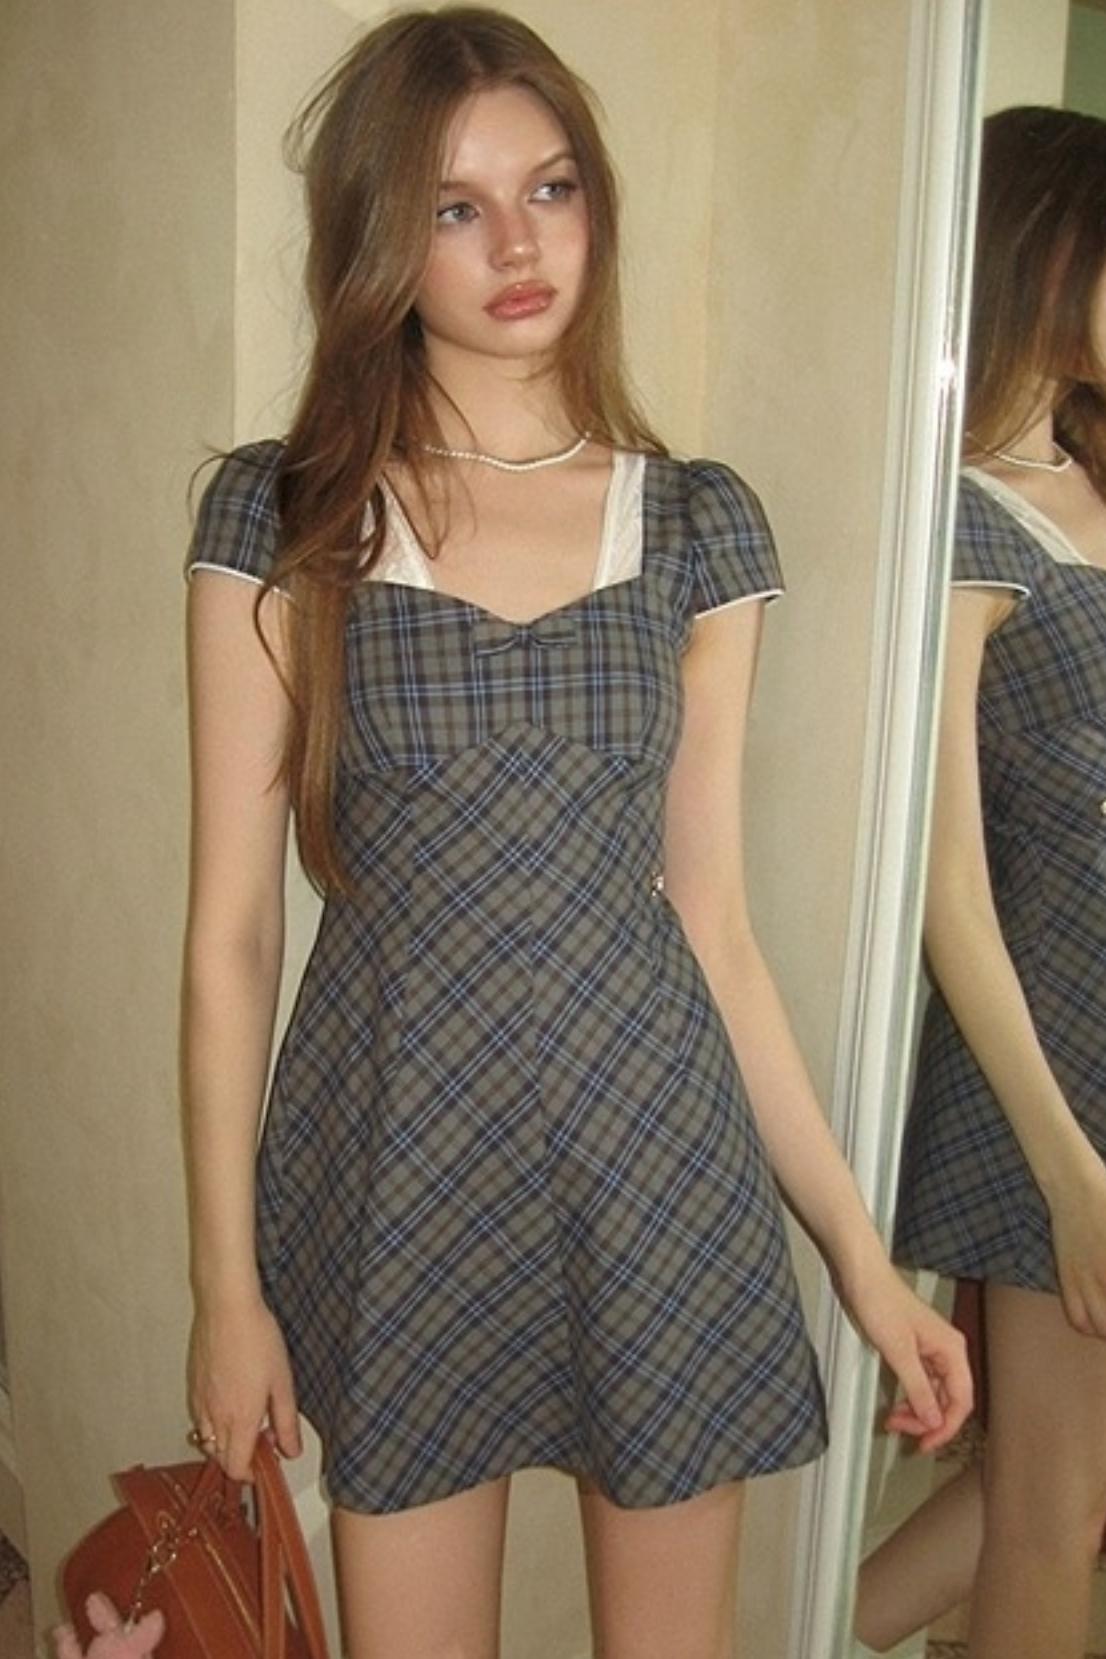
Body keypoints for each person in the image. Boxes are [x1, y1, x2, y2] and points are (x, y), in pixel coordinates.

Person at [181, 10, 969, 1657]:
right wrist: (226, 1292)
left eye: (549, 188)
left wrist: (860, 1258)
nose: (519, 244)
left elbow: (712, 924)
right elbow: (233, 937)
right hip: (400, 1166)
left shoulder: (693, 523)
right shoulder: (287, 512)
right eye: (455, 206)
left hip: (652, 1162)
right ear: (380, 239)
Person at [858, 105, 1106, 1659]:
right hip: (1052, 1078)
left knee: (1056, 1487)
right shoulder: (957, 520)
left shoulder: (1088, 476)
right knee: (1053, 1514)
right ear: (1046, 260)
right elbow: (945, 886)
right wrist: (1070, 1174)